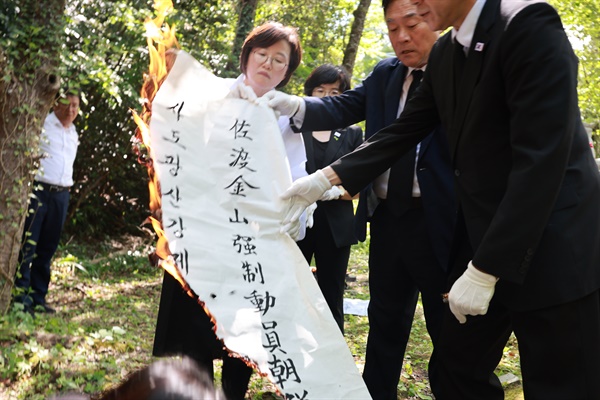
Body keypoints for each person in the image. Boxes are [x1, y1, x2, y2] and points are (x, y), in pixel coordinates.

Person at [272, 0, 600, 398]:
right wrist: (323, 180)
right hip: (481, 242)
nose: (415, 13)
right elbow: (402, 130)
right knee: (456, 368)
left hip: (550, 247)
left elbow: (542, 161)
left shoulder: (528, 24)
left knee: (561, 381)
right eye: (395, 23)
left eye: (414, 14)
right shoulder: (447, 54)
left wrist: (484, 269)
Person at [263, 0, 454, 397]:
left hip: (441, 220)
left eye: (412, 24)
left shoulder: (458, 70)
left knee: (448, 329)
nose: (402, 36)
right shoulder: (386, 73)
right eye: (392, 27)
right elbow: (344, 106)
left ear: (436, 19)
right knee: (384, 320)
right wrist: (298, 106)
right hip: (389, 218)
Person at [152, 21, 304, 400]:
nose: (268, 64)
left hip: (253, 245)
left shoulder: (289, 118)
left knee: (244, 334)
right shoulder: (208, 92)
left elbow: (296, 177)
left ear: (287, 72)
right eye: (262, 54)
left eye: (279, 60)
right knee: (194, 332)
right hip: (200, 236)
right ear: (247, 55)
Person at [296, 64, 363, 334]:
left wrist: (329, 191)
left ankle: (333, 355)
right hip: (296, 222)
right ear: (309, 93)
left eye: (334, 92)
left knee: (331, 293)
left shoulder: (352, 134)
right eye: (319, 90)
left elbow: (359, 186)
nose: (325, 98)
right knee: (292, 288)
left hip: (336, 227)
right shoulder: (294, 130)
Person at [14, 88, 80, 315]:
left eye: (76, 106)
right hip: (40, 191)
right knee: (28, 245)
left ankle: (38, 297)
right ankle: (20, 299)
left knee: (48, 248)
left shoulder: (73, 133)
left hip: (62, 194)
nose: (72, 110)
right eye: (68, 105)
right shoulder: (42, 125)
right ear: (55, 105)